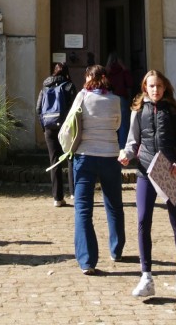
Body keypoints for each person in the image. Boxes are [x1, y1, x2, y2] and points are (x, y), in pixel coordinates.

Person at [119, 69, 176, 298]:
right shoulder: (137, 111)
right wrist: (126, 155)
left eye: (159, 86)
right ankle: (146, 276)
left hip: (169, 171)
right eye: (151, 86)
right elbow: (132, 142)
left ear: (165, 87)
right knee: (143, 221)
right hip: (145, 170)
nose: (155, 90)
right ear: (145, 88)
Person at [71, 64, 125, 275]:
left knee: (83, 209)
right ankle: (116, 250)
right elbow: (117, 125)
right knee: (114, 205)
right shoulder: (115, 100)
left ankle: (87, 261)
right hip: (110, 155)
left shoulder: (82, 96)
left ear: (88, 78)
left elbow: (72, 123)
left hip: (85, 156)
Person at [36, 62, 76, 207]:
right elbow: (75, 108)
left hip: (49, 127)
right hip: (66, 127)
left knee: (54, 161)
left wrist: (44, 127)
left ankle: (57, 198)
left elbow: (38, 109)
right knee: (71, 158)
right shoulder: (69, 86)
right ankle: (74, 193)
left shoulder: (45, 87)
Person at [104, 52, 133, 148]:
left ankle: (109, 146)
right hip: (121, 98)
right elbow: (130, 83)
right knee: (123, 124)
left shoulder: (106, 73)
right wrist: (125, 69)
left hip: (108, 98)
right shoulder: (122, 71)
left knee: (108, 123)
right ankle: (122, 148)